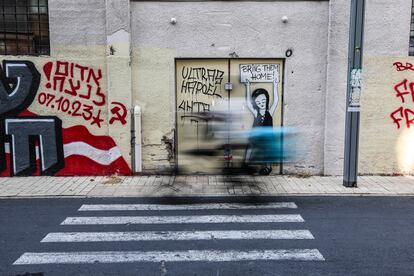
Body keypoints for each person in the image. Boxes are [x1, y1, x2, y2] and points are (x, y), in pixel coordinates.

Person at [244, 79, 279, 175]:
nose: (261, 103)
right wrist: (247, 86)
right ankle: (246, 164)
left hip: (267, 137)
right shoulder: (256, 113)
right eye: (258, 102)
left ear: (267, 100)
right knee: (250, 147)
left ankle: (268, 167)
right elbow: (248, 103)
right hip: (256, 136)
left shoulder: (269, 112)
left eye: (263, 100)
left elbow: (276, 101)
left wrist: (275, 85)